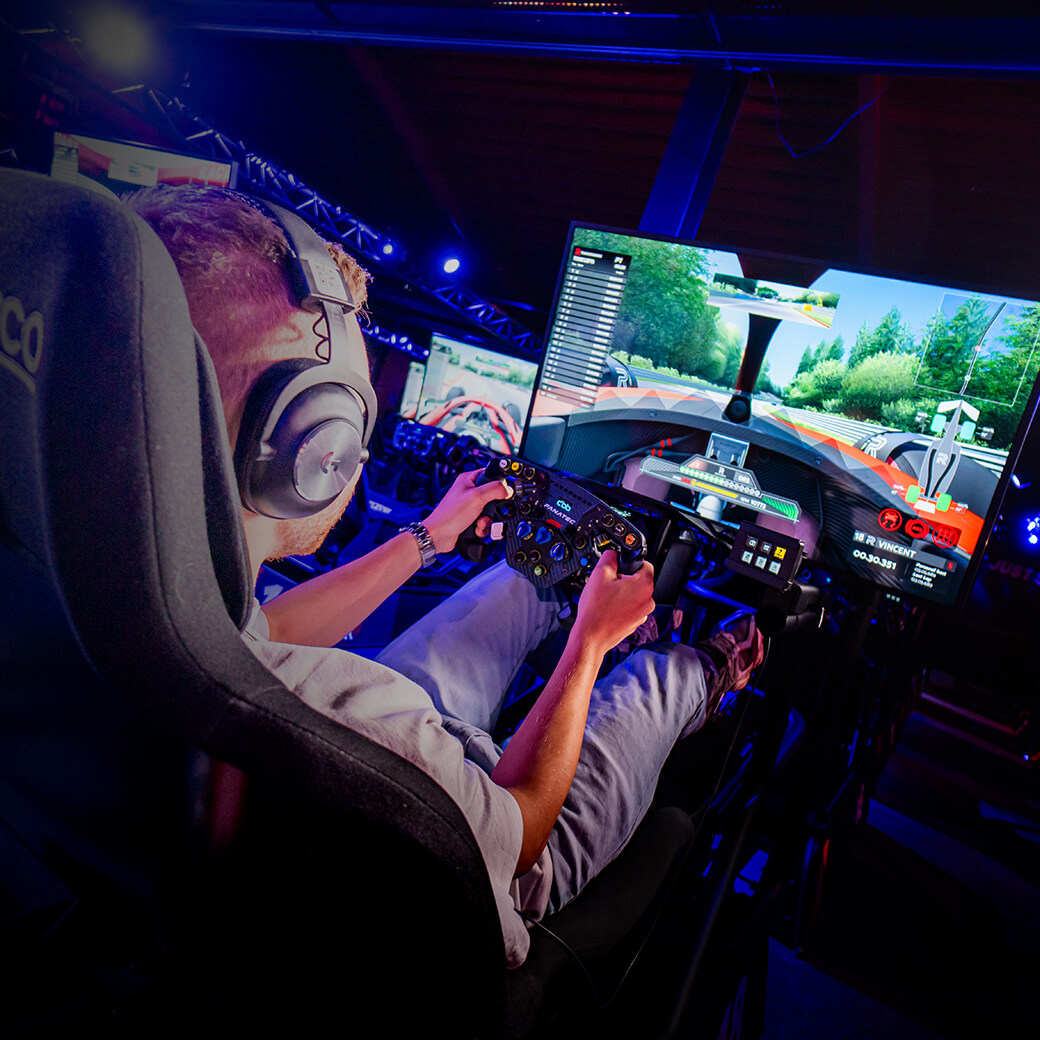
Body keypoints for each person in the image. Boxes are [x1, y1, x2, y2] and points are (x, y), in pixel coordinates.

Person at [125, 185, 765, 969]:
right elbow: (521, 826)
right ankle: (713, 667)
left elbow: (263, 633)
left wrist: (430, 537)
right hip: (488, 851)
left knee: (526, 582)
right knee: (658, 679)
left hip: (381, 763)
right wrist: (593, 643)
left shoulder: (135, 593)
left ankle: (598, 614)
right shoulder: (355, 718)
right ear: (307, 438)